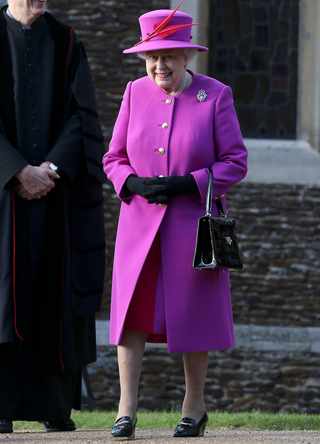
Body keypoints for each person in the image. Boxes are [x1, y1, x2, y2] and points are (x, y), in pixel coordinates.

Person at [103, 1, 248, 438]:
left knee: (194, 313)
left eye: (168, 55)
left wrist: (191, 183)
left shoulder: (215, 94)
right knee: (131, 314)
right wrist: (131, 183)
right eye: (152, 56)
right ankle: (126, 408)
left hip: (192, 225)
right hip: (139, 225)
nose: (159, 65)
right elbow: (113, 157)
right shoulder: (133, 92)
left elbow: (236, 162)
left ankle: (195, 405)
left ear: (188, 55)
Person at [0, 0, 105, 434]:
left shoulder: (67, 41)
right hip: (3, 197)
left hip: (56, 196)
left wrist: (51, 170)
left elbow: (82, 116)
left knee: (53, 293)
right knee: (3, 300)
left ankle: (54, 406)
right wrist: (15, 170)